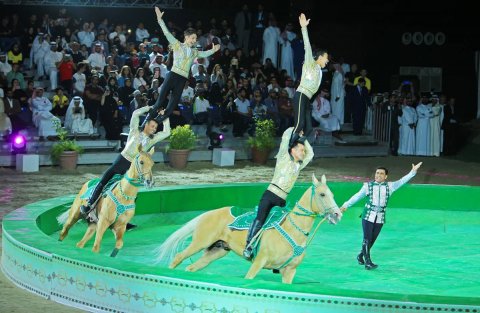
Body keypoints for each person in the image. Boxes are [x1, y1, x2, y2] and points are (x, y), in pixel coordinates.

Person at [80, 106, 171, 225]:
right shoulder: (134, 131)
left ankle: (124, 220)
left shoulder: (152, 140)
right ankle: (89, 204)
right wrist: (149, 108)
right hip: (121, 161)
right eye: (152, 126)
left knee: (130, 193)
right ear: (146, 125)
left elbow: (167, 132)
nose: (154, 129)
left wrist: (164, 117)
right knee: (103, 181)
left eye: (156, 127)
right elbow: (135, 113)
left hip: (132, 168)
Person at [142, 7, 220, 127]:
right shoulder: (177, 44)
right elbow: (166, 32)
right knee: (159, 102)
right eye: (193, 38)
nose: (194, 40)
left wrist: (213, 50)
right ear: (186, 37)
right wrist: (159, 20)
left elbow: (204, 53)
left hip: (182, 79)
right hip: (172, 75)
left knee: (170, 108)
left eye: (195, 38)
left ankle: (153, 124)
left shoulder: (194, 52)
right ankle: (144, 124)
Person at [243, 127, 314, 260]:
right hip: (270, 195)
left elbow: (311, 155)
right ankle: (249, 246)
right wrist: (294, 130)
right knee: (260, 219)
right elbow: (285, 137)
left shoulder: (299, 165)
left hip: (281, 200)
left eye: (303, 150)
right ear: (292, 150)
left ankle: (279, 253)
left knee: (283, 227)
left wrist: (304, 140)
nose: (303, 153)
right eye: (301, 150)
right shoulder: (283, 158)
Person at [340, 162, 423, 270]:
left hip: (380, 217)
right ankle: (368, 262)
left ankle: (361, 256)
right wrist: (345, 205)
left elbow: (403, 180)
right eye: (377, 173)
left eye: (381, 173)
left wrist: (413, 172)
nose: (378, 175)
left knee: (372, 240)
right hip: (368, 215)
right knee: (366, 238)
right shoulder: (367, 186)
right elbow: (357, 196)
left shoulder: (391, 186)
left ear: (386, 176)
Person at [289, 13, 329, 148]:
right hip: (301, 95)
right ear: (319, 57)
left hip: (307, 99)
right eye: (326, 58)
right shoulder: (310, 62)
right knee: (299, 124)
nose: (327, 60)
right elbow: (307, 45)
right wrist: (304, 28)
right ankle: (289, 151)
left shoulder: (319, 70)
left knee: (309, 129)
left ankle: (297, 148)